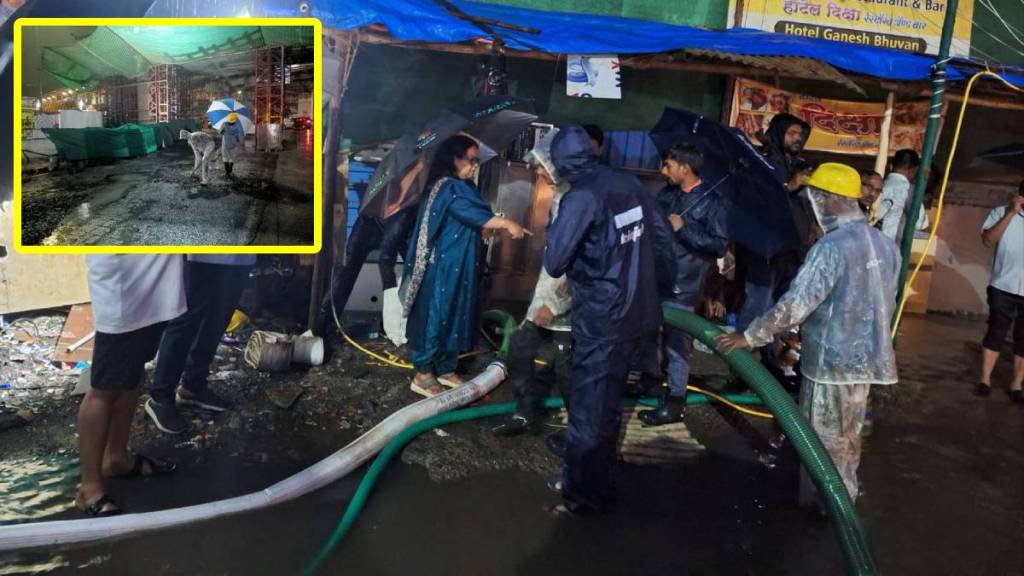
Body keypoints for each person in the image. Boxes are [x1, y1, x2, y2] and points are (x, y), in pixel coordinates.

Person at [717, 163, 900, 506]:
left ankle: (825, 506)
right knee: (849, 435)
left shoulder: (832, 248)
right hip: (864, 361)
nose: (812, 204)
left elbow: (795, 306)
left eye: (816, 196)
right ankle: (846, 496)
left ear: (830, 200)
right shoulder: (884, 244)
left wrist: (752, 335)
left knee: (823, 440)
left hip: (831, 363)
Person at [543, 125, 675, 516]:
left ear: (561, 164)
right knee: (609, 403)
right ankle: (594, 477)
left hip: (604, 317)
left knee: (588, 409)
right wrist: (659, 290)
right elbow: (663, 238)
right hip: (638, 313)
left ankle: (583, 496)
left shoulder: (580, 197)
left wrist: (557, 220)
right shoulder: (627, 182)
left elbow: (554, 262)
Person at [401, 134, 530, 397]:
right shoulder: (445, 187)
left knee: (458, 313)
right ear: (453, 159)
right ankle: (423, 373)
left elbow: (473, 221)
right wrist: (505, 223)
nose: (475, 166)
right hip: (442, 268)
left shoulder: (466, 186)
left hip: (463, 265)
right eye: (471, 160)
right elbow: (468, 213)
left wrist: (487, 229)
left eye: (476, 160)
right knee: (436, 316)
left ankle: (446, 367)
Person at [76, 255, 186, 516]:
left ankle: (117, 458)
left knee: (133, 370)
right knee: (105, 389)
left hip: (154, 272)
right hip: (126, 278)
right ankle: (89, 488)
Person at [638, 143, 728, 426]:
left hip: (684, 283)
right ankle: (651, 381)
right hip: (655, 276)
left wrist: (684, 229)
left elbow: (718, 245)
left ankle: (675, 401)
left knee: (677, 344)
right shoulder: (667, 194)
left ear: (685, 168)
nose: (663, 171)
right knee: (647, 333)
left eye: (668, 165)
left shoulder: (713, 202)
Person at [491, 128, 574, 438]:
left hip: (568, 305)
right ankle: (525, 411)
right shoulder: (561, 196)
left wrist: (554, 304)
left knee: (567, 369)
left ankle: (579, 432)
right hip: (547, 300)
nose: (538, 172)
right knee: (520, 348)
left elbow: (575, 260)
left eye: (541, 165)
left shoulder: (576, 200)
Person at [145, 255, 256, 434]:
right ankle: (160, 397)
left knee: (218, 320)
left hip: (241, 254)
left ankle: (193, 386)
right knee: (185, 321)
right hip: (203, 253)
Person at [735, 113, 811, 333]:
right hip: (764, 247)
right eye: (792, 133)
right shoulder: (761, 161)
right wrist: (789, 187)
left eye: (800, 134)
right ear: (779, 133)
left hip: (791, 248)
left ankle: (770, 359)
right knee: (758, 304)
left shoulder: (796, 164)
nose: (798, 138)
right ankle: (741, 361)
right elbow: (757, 200)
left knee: (780, 308)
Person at [318, 205, 418, 337]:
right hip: (373, 218)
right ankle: (324, 325)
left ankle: (415, 326)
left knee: (417, 271)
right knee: (344, 271)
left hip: (401, 218)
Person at [976, 180, 1024, 401]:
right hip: (1002, 285)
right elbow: (987, 240)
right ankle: (985, 379)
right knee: (996, 331)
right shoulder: (1000, 212)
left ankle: (1016, 384)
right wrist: (1010, 214)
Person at [876, 149, 922, 243]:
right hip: (888, 247)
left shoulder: (877, 186)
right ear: (914, 170)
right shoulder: (910, 190)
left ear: (890, 165)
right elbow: (919, 223)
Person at [219, 112, 245, 178]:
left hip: (225, 144)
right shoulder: (238, 126)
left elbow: (220, 132)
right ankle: (230, 171)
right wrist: (241, 143)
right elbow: (239, 137)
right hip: (233, 145)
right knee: (231, 158)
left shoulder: (224, 124)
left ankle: (227, 173)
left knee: (225, 158)